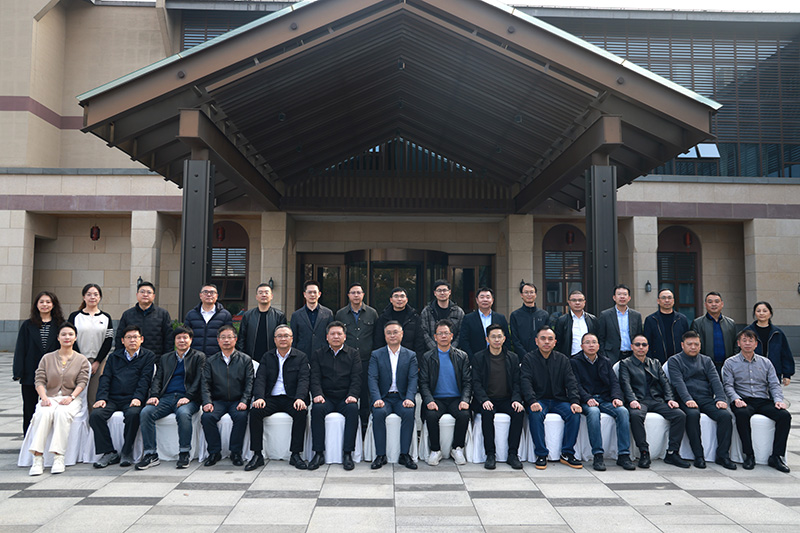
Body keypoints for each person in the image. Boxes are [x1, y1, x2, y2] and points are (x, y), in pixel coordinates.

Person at [136, 326, 206, 470]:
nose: (182, 340)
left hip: (189, 398)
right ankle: (151, 454)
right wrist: (154, 395)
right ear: (174, 340)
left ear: (191, 340)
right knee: (146, 412)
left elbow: (199, 380)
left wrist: (188, 396)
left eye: (185, 337)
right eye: (179, 338)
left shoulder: (199, 357)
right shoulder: (166, 358)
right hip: (166, 398)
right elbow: (158, 379)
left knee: (183, 413)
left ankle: (184, 453)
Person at [723, 329, 792, 473]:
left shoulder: (766, 362)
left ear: (756, 344)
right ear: (738, 343)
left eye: (751, 341)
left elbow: (774, 384)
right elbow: (728, 385)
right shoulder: (730, 362)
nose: (747, 343)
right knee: (742, 414)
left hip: (762, 400)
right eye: (744, 340)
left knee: (784, 416)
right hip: (743, 399)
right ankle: (749, 455)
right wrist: (736, 399)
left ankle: (776, 456)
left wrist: (778, 400)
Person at [27, 322, 90, 476]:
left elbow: (82, 382)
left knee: (62, 414)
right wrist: (43, 398)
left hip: (71, 398)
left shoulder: (81, 359)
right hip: (49, 396)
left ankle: (59, 457)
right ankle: (37, 458)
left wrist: (71, 397)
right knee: (43, 414)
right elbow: (39, 380)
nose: (67, 337)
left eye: (70, 334)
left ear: (75, 338)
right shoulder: (47, 358)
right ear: (58, 338)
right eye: (63, 334)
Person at [667, 331, 736, 470]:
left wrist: (720, 398)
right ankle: (698, 455)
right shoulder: (674, 360)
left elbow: (715, 380)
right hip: (685, 399)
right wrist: (687, 399)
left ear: (700, 345)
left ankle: (722, 455)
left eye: (696, 344)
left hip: (705, 398)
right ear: (682, 345)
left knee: (725, 416)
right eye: (689, 344)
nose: (693, 347)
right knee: (693, 414)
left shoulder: (706, 360)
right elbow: (678, 383)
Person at [90, 325, 157, 468]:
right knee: (96, 415)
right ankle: (109, 452)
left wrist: (138, 398)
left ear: (142, 339)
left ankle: (127, 452)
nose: (132, 340)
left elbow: (145, 380)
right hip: (113, 398)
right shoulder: (114, 356)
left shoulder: (148, 356)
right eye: (129, 337)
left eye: (135, 337)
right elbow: (105, 378)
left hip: (133, 398)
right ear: (122, 340)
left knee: (133, 414)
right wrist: (101, 398)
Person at [618, 334, 688, 468]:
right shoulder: (625, 363)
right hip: (639, 400)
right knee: (635, 415)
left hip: (656, 400)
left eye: (644, 345)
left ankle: (672, 453)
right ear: (632, 347)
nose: (641, 347)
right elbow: (625, 384)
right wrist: (632, 400)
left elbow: (665, 383)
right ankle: (644, 452)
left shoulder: (655, 363)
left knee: (679, 415)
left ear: (648, 347)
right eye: (637, 345)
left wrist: (670, 399)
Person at [245, 325, 310, 471]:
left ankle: (295, 454)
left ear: (292, 339)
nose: (283, 339)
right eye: (279, 336)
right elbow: (260, 379)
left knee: (301, 412)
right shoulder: (267, 357)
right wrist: (259, 397)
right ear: (274, 340)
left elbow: (304, 380)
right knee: (255, 412)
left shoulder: (301, 357)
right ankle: (257, 455)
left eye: (286, 336)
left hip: (292, 398)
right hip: (271, 398)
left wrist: (300, 398)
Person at [571, 333, 635, 471]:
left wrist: (616, 397)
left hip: (604, 399)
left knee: (623, 411)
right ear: (581, 346)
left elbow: (614, 382)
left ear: (598, 346)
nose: (591, 345)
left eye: (594, 342)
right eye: (587, 342)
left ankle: (624, 455)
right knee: (594, 413)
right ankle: (598, 455)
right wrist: (587, 398)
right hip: (586, 400)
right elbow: (575, 385)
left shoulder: (605, 361)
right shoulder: (574, 362)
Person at [521, 326, 582, 469]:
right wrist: (532, 401)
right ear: (536, 341)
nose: (546, 342)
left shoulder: (562, 359)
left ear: (555, 342)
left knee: (574, 413)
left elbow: (571, 382)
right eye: (543, 339)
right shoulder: (529, 358)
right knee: (535, 414)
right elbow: (525, 382)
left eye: (550, 339)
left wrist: (574, 401)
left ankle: (567, 453)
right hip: (539, 400)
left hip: (558, 400)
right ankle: (541, 454)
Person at [309, 321, 361, 471]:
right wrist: (318, 394)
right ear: (327, 337)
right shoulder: (318, 354)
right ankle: (318, 453)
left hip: (345, 397)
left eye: (339, 334)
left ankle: (347, 453)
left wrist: (353, 395)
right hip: (326, 398)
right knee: (317, 409)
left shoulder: (353, 354)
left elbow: (357, 378)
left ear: (345, 336)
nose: (336, 336)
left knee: (352, 409)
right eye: (332, 334)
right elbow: (315, 378)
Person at [419, 319, 471, 466]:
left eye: (446, 333)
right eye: (440, 333)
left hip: (456, 399)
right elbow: (423, 383)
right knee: (431, 415)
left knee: (464, 414)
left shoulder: (462, 356)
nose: (443, 336)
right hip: (436, 399)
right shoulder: (427, 357)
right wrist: (429, 400)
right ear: (435, 337)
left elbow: (467, 382)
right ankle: (435, 450)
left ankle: (457, 448)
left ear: (451, 336)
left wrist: (465, 400)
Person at [472, 324, 524, 470]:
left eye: (499, 336)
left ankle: (512, 454)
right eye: (493, 337)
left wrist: (516, 400)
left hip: (507, 399)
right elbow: (476, 382)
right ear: (487, 339)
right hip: (487, 399)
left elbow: (517, 382)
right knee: (487, 413)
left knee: (518, 412)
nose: (496, 340)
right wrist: (484, 399)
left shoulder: (512, 358)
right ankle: (490, 454)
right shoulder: (479, 357)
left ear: (504, 339)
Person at [200, 325, 253, 467]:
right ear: (218, 341)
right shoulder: (211, 361)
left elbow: (249, 384)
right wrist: (207, 402)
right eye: (223, 337)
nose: (226, 340)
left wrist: (244, 401)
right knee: (207, 417)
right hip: (218, 400)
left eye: (230, 337)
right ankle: (214, 452)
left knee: (241, 417)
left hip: (238, 400)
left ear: (235, 339)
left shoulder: (245, 360)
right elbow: (205, 384)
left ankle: (235, 452)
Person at [368, 321, 419, 470]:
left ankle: (405, 455)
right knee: (378, 413)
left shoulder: (410, 355)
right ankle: (380, 455)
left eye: (395, 332)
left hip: (402, 398)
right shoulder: (376, 355)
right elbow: (372, 378)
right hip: (384, 398)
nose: (392, 335)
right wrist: (377, 398)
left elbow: (413, 379)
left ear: (402, 334)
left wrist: (409, 398)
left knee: (409, 412)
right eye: (388, 333)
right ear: (385, 336)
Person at [13, 291, 64, 435]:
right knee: (29, 409)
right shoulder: (27, 325)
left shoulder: (60, 325)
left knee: (51, 408)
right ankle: (28, 439)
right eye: (41, 302)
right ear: (36, 305)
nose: (45, 305)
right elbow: (20, 348)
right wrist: (18, 372)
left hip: (54, 374)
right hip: (30, 373)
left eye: (48, 302)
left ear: (53, 305)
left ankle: (47, 439)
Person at [335, 282, 379, 433]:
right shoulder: (340, 314)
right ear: (348, 295)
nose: (356, 295)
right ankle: (349, 422)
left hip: (367, 359)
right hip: (346, 360)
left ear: (363, 295)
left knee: (366, 393)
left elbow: (376, 337)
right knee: (349, 391)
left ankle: (365, 425)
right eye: (353, 293)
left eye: (358, 292)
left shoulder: (372, 313)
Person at [68, 283, 114, 408]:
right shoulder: (75, 317)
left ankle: (92, 420)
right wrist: (81, 360)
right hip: (77, 360)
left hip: (98, 363)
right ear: (84, 297)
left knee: (94, 396)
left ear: (100, 297)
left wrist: (97, 361)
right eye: (89, 294)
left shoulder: (106, 317)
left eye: (95, 294)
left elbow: (108, 340)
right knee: (77, 394)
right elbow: (70, 338)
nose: (92, 297)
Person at [116, 281, 172, 356]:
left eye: (149, 292)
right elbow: (120, 337)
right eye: (142, 292)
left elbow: (169, 339)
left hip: (156, 357)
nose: (145, 295)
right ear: (137, 295)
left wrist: (166, 358)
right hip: (132, 358)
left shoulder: (163, 314)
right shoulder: (127, 314)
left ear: (153, 296)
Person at [744, 301, 794, 386]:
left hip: (774, 372)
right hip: (752, 372)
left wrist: (787, 374)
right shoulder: (747, 332)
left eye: (765, 311)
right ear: (754, 313)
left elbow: (785, 354)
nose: (761, 313)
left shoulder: (777, 333)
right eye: (758, 311)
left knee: (774, 393)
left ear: (770, 313)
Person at [237, 283, 287, 363]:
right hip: (251, 360)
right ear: (256, 297)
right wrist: (243, 358)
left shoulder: (279, 316)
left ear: (271, 296)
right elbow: (241, 339)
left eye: (266, 293)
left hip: (273, 359)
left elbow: (283, 339)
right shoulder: (248, 315)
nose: (264, 295)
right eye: (260, 293)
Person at [459, 287, 510, 362]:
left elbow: (507, 340)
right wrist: (473, 358)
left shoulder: (500, 318)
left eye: (488, 297)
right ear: (477, 300)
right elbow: (464, 341)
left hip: (498, 359)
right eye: (482, 297)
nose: (485, 300)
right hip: (476, 360)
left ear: (492, 300)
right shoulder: (468, 318)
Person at [691, 292, 736, 372]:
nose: (713, 304)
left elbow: (736, 344)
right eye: (710, 302)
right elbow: (694, 345)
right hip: (705, 367)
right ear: (705, 304)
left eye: (717, 302)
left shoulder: (730, 323)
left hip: (727, 366)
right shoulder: (697, 323)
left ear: (722, 304)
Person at [373, 287, 426, 356]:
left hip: (409, 357)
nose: (399, 299)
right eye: (396, 296)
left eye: (402, 296)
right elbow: (378, 341)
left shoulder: (414, 317)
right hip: (388, 356)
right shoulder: (383, 318)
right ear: (391, 300)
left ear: (406, 300)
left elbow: (419, 341)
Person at [598, 284, 643, 364]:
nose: (622, 297)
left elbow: (639, 336)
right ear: (614, 297)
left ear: (629, 298)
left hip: (632, 355)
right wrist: (604, 355)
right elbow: (601, 337)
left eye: (625, 294)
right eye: (619, 294)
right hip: (611, 355)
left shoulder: (636, 315)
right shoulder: (605, 315)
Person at [183, 284, 233, 356]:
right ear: (200, 295)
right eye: (205, 292)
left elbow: (229, 337)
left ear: (217, 296)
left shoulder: (225, 315)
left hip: (217, 357)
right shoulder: (191, 314)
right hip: (195, 356)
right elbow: (185, 335)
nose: (209, 295)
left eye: (212, 292)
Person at [643, 288, 689, 364]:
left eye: (669, 298)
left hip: (679, 362)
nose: (667, 300)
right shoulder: (651, 320)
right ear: (658, 301)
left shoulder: (681, 319)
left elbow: (687, 341)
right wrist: (651, 362)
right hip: (657, 362)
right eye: (663, 298)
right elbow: (647, 343)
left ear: (673, 300)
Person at [291, 280, 334, 359]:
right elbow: (293, 339)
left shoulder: (328, 313)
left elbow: (331, 336)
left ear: (319, 294)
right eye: (309, 292)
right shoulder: (296, 315)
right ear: (304, 294)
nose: (312, 295)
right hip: (302, 355)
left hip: (323, 355)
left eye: (315, 292)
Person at [420, 279, 465, 351]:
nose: (442, 293)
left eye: (444, 290)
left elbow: (461, 333)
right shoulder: (427, 311)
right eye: (439, 290)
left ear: (449, 292)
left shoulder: (458, 312)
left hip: (453, 352)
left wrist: (450, 349)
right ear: (435, 293)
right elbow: (424, 333)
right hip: (431, 352)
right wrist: (436, 349)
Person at [509, 281, 550, 356]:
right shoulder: (515, 315)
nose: (529, 295)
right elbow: (515, 339)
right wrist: (525, 356)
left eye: (531, 292)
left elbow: (547, 337)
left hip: (541, 356)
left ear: (536, 294)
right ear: (521, 295)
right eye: (526, 292)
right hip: (521, 357)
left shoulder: (544, 315)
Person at [554, 290, 599, 357]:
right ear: (569, 302)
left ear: (584, 302)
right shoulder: (562, 320)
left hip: (589, 357)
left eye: (580, 300)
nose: (577, 303)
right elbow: (558, 342)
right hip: (569, 357)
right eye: (574, 300)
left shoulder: (592, 319)